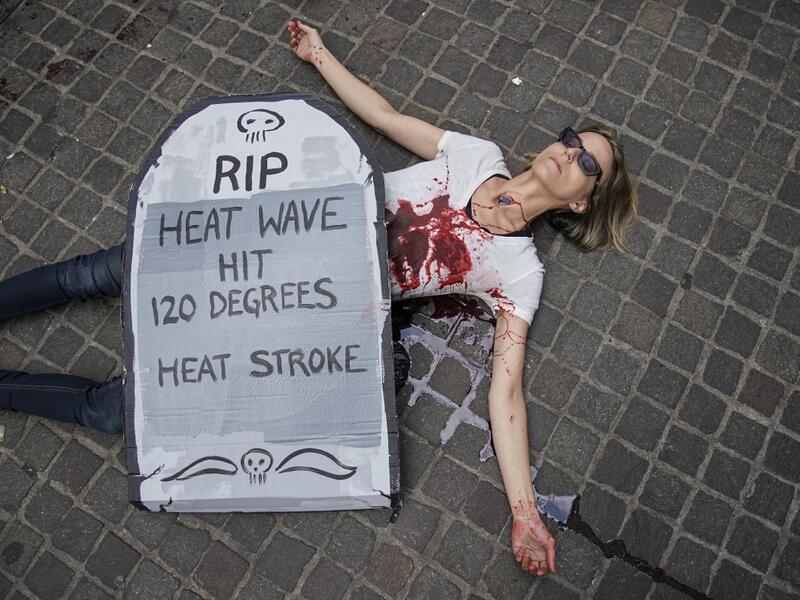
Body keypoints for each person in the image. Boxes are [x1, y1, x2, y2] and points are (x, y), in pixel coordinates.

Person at [0, 18, 637, 578]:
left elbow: (505, 390)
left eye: (588, 164)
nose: (570, 154)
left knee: (122, 412)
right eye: (572, 139)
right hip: (265, 232)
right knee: (99, 273)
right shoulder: (475, 155)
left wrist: (524, 513)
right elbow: (385, 119)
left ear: (581, 201)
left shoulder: (518, 271)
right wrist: (321, 56)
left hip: (309, 320)